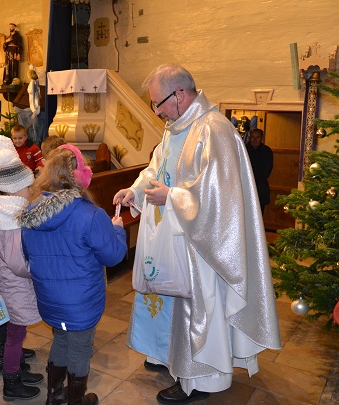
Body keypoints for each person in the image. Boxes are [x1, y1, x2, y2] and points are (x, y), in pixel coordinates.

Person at [113, 64, 281, 404]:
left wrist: (173, 198)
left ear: (179, 95)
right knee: (171, 304)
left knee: (199, 310)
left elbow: (221, 198)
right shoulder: (175, 128)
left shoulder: (214, 130)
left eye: (158, 103)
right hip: (173, 240)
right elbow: (157, 169)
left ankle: (202, 379)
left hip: (202, 246)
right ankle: (170, 357)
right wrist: (136, 191)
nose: (157, 111)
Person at [20, 144, 127, 405]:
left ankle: (55, 396)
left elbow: (27, 254)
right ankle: (75, 401)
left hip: (50, 297)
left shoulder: (32, 213)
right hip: (81, 301)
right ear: (80, 176)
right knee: (79, 348)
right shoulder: (90, 214)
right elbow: (113, 256)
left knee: (61, 340)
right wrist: (117, 230)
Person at [0, 149, 44, 401]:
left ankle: (17, 368)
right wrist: (37, 269)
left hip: (6, 280)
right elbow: (18, 263)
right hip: (15, 283)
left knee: (13, 332)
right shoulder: (10, 220)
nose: (31, 190)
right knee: (15, 334)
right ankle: (11, 382)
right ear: (16, 189)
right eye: (29, 186)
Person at [246, 128, 273, 214]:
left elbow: (267, 171)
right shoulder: (244, 150)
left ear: (262, 138)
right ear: (249, 138)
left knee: (259, 214)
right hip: (245, 187)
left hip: (260, 187)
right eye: (252, 137)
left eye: (257, 137)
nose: (255, 140)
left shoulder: (267, 151)